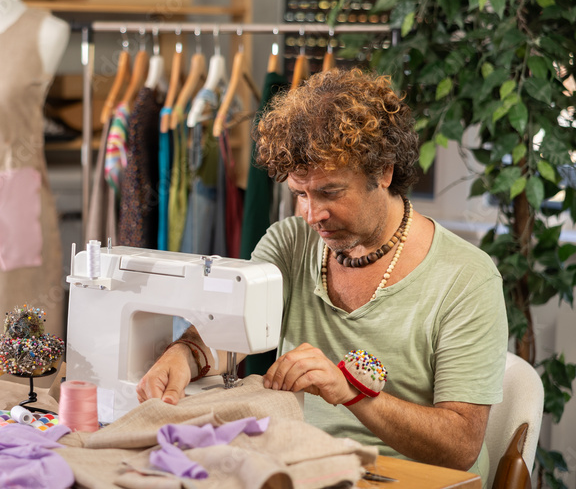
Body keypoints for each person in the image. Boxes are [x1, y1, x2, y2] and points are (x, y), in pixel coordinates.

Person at [137, 69, 507, 481]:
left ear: (383, 172)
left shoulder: (467, 279)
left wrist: (351, 393)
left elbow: (459, 446)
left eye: (330, 192)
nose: (313, 216)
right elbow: (230, 333)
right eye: (300, 194)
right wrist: (186, 353)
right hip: (306, 466)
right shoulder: (289, 243)